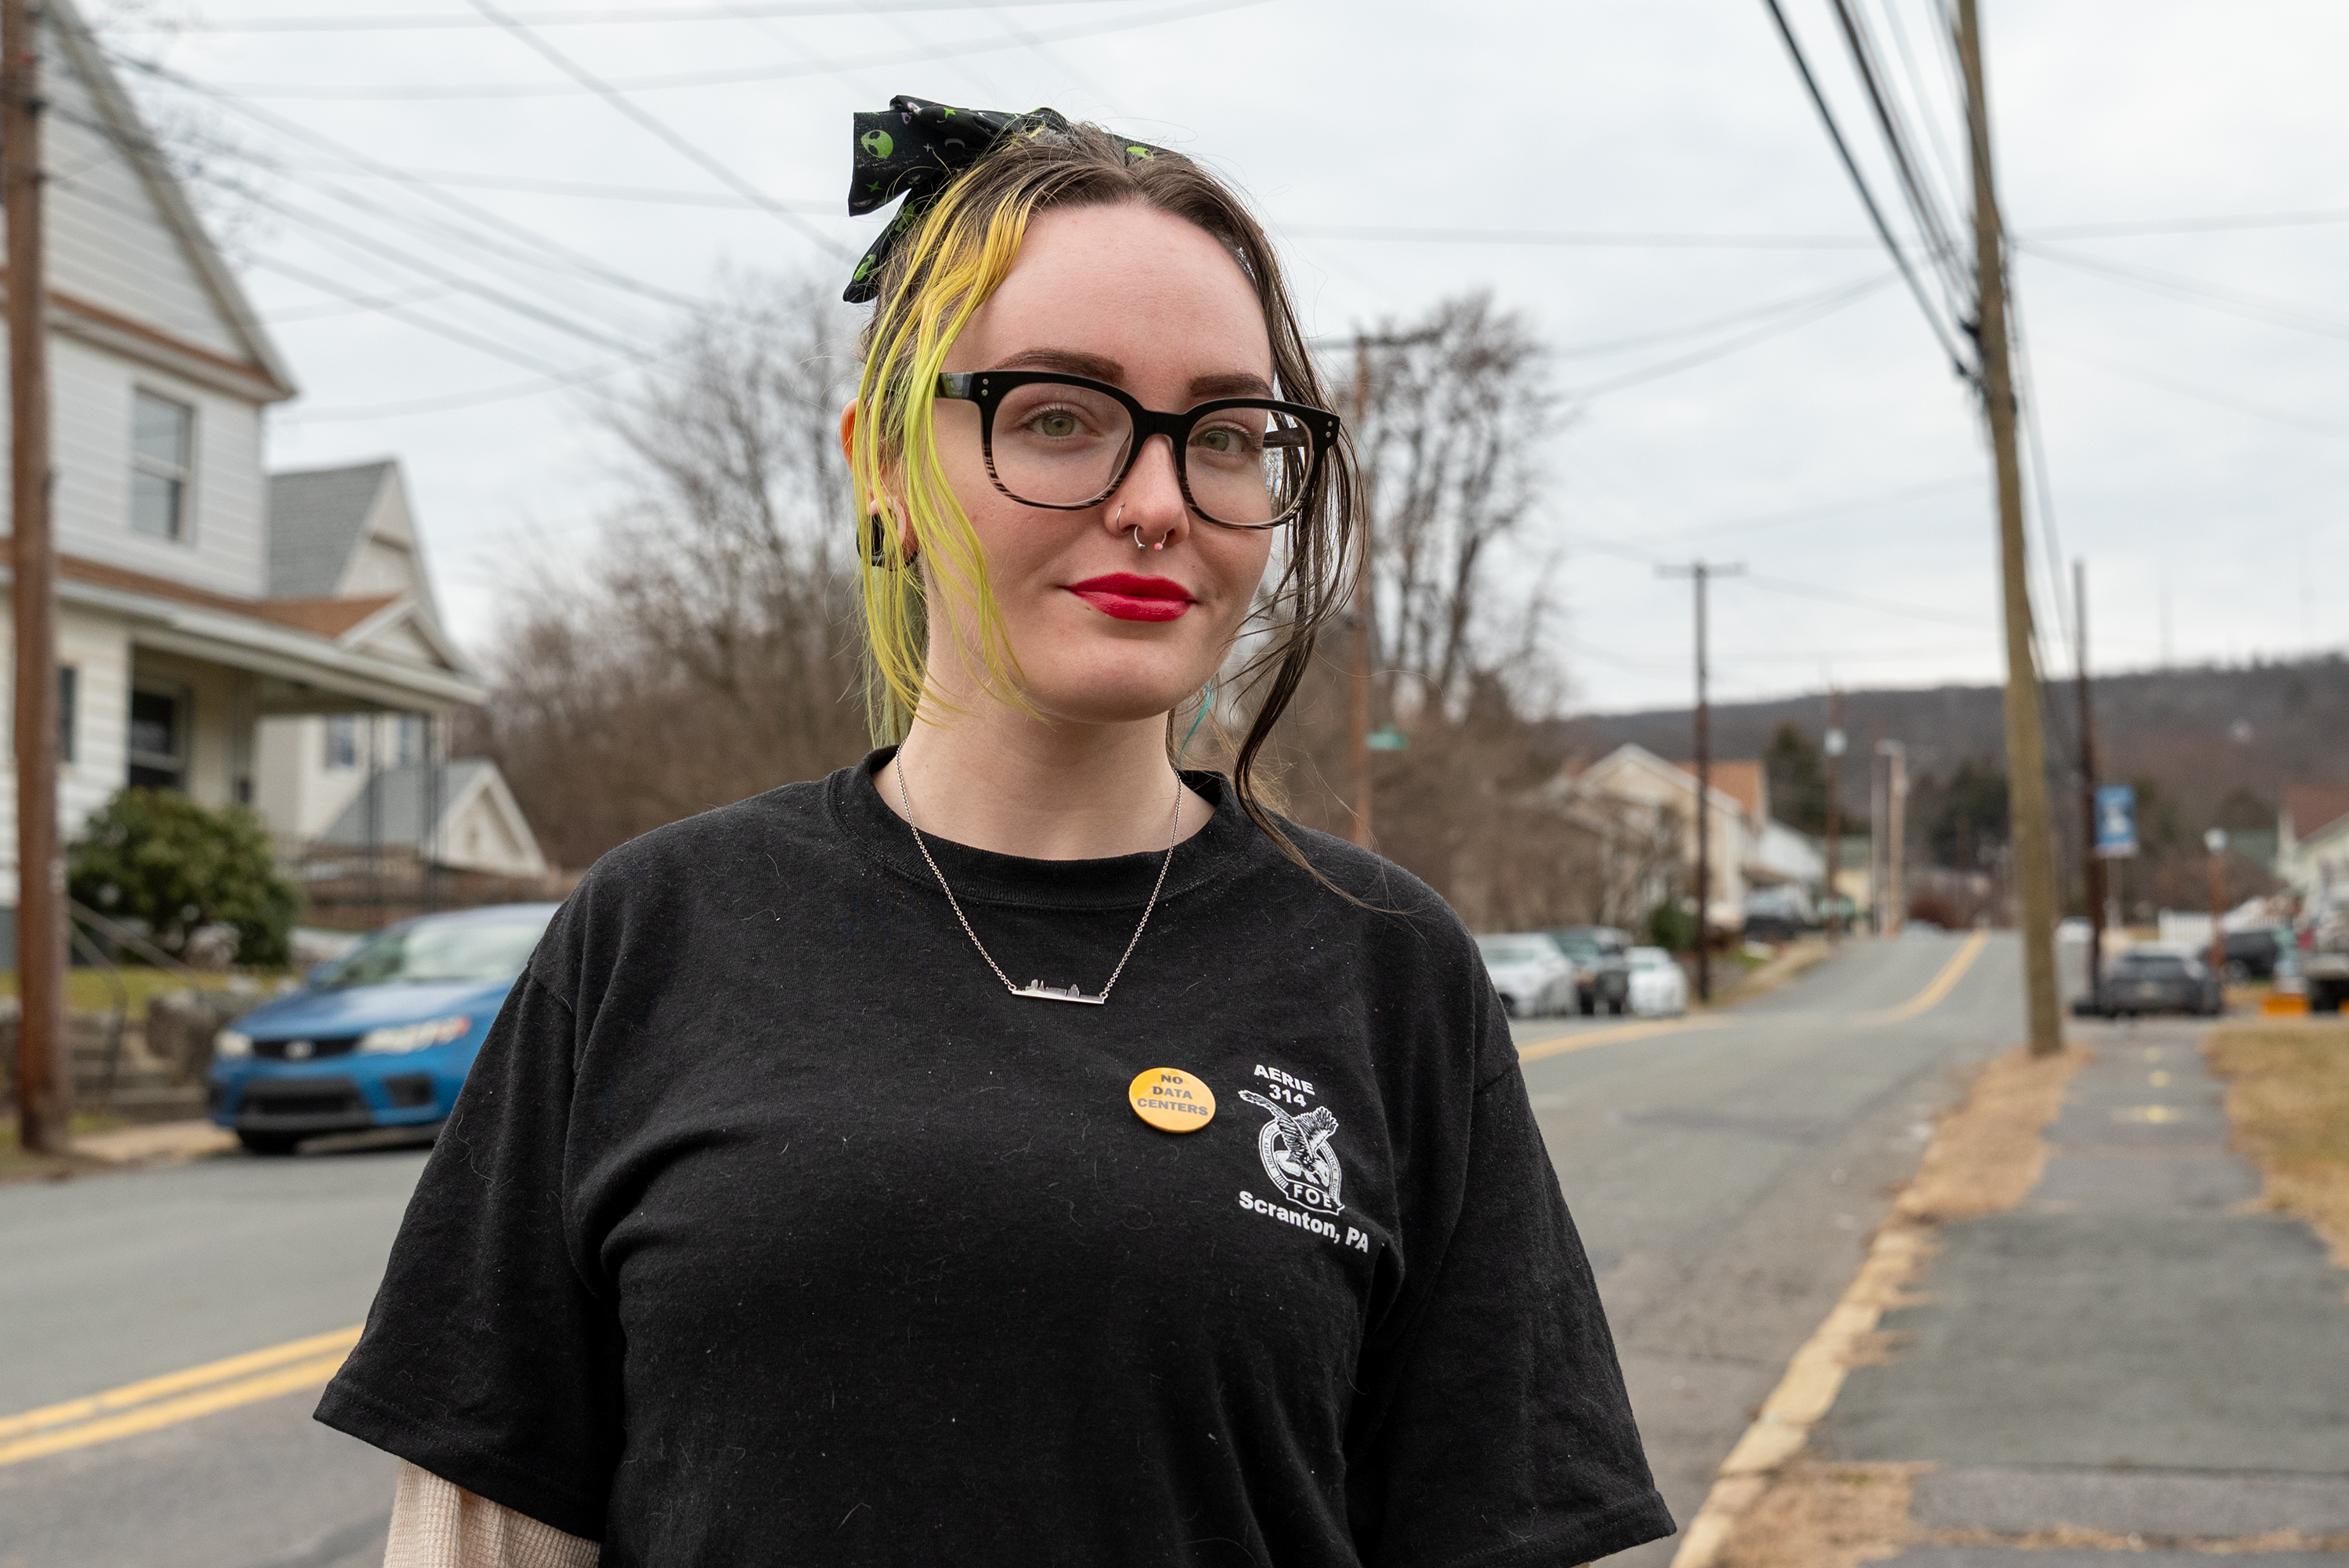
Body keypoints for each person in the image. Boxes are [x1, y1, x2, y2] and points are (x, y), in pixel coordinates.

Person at [322, 96, 1673, 1568]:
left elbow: (1504, 1526)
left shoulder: (1390, 970)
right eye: (1056, 417)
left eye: (1224, 436)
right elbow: (485, 1529)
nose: (1158, 502)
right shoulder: (657, 927)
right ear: (887, 465)